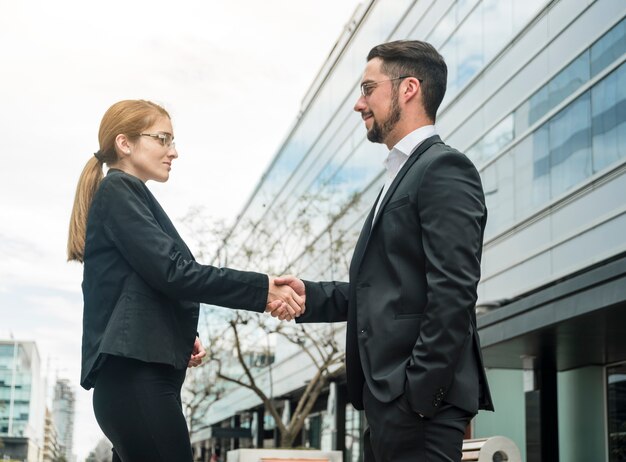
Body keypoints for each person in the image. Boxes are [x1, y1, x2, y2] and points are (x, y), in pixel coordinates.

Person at [271, 40, 494, 461]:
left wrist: (419, 393)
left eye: (368, 88)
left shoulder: (444, 168)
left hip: (416, 406)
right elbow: (385, 289)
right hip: (390, 403)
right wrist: (309, 296)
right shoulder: (401, 174)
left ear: (408, 89)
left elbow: (454, 292)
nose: (359, 104)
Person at [67, 99, 304, 462]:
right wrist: (263, 288)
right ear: (124, 143)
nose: (173, 152)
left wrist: (176, 334)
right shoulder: (118, 191)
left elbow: (141, 282)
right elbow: (173, 272)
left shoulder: (125, 195)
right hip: (136, 383)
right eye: (163, 139)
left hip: (137, 383)